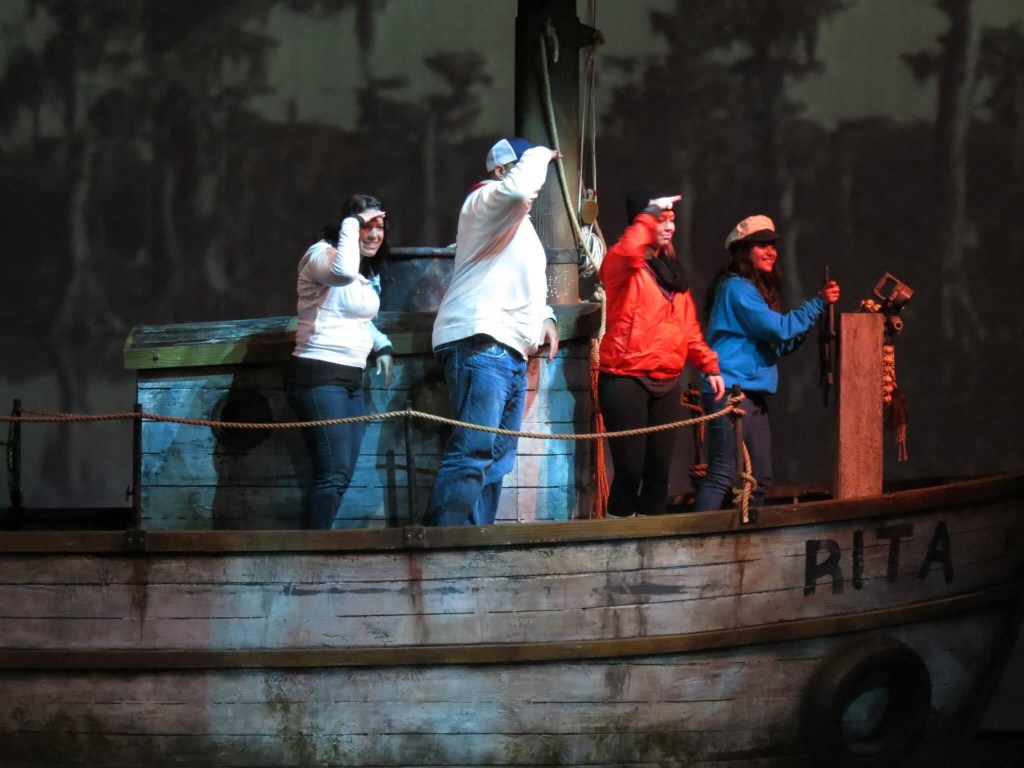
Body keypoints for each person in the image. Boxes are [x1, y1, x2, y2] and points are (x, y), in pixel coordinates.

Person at [425, 137, 561, 527]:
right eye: (522, 165)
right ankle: (443, 546)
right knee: (472, 452)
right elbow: (518, 190)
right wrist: (542, 153)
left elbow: (519, 275)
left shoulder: (515, 223)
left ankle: (474, 543)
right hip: (481, 342)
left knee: (497, 460)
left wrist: (546, 315)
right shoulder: (485, 201)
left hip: (508, 350)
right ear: (501, 170)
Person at [693, 215, 840, 511]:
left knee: (760, 478)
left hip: (751, 395)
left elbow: (779, 341)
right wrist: (817, 304)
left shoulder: (754, 290)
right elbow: (778, 329)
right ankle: (700, 537)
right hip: (730, 391)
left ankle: (745, 536)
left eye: (773, 245)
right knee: (722, 473)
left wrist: (808, 318)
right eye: (762, 245)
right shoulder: (736, 288)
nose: (771, 251)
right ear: (743, 251)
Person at [598, 191, 725, 518]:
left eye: (671, 220)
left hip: (666, 382)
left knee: (658, 476)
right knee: (630, 473)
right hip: (626, 379)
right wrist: (648, 214)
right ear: (642, 222)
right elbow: (630, 251)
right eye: (661, 220)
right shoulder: (621, 263)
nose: (669, 227)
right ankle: (616, 543)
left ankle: (653, 546)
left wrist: (709, 365)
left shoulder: (672, 273)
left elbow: (688, 328)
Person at [284, 194, 395, 529]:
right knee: (331, 474)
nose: (374, 234)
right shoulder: (322, 256)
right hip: (319, 373)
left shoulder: (359, 270)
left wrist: (382, 344)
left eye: (379, 226)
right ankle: (311, 552)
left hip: (350, 379)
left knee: (341, 473)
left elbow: (356, 318)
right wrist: (352, 222)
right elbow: (342, 273)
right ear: (347, 225)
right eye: (366, 225)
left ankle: (317, 545)